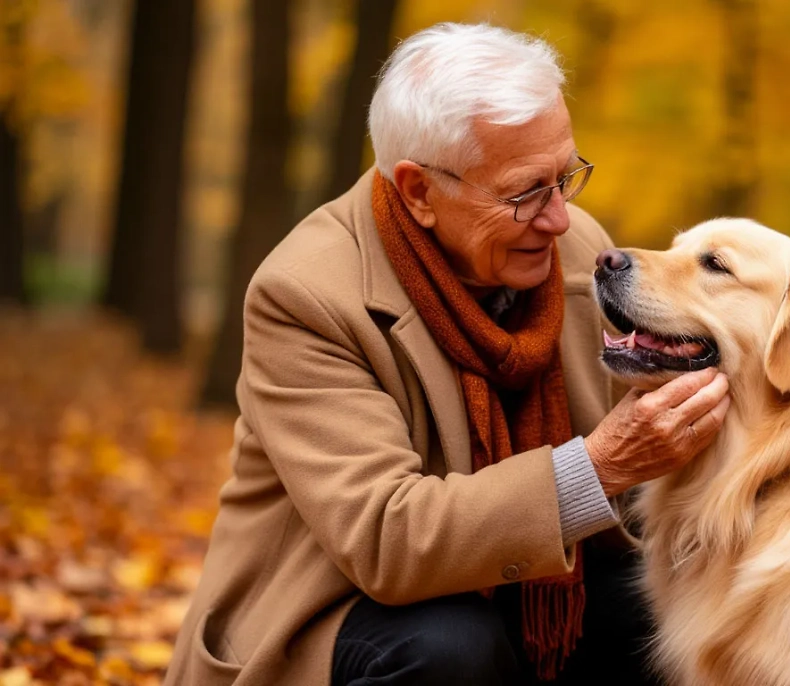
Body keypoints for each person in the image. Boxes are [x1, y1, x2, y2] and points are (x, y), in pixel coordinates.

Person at [164, 22, 730, 686]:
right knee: (449, 648)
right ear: (418, 191)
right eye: (524, 193)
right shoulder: (305, 294)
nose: (557, 218)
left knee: (671, 612)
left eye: (565, 176)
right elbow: (387, 540)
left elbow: (644, 487)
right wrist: (597, 467)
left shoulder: (574, 250)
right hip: (335, 613)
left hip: (528, 582)